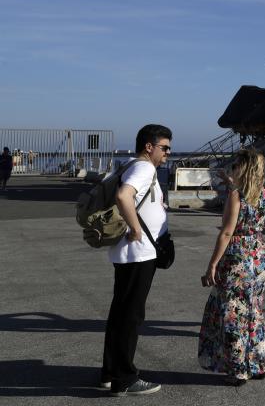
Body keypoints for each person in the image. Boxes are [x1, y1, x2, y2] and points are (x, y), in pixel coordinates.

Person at [101, 124, 171, 396]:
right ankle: (125, 378)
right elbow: (123, 196)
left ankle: (110, 372)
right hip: (138, 254)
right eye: (164, 147)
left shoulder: (128, 165)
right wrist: (136, 228)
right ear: (149, 147)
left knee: (120, 313)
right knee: (131, 316)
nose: (168, 153)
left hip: (128, 255)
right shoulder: (144, 168)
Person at [198, 148, 265, 386]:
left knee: (233, 314)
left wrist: (212, 264)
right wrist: (231, 184)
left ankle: (239, 369)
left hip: (238, 258)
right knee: (254, 311)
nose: (234, 168)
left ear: (245, 168)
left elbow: (227, 232)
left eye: (237, 165)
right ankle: (257, 364)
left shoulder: (236, 196)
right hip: (258, 256)